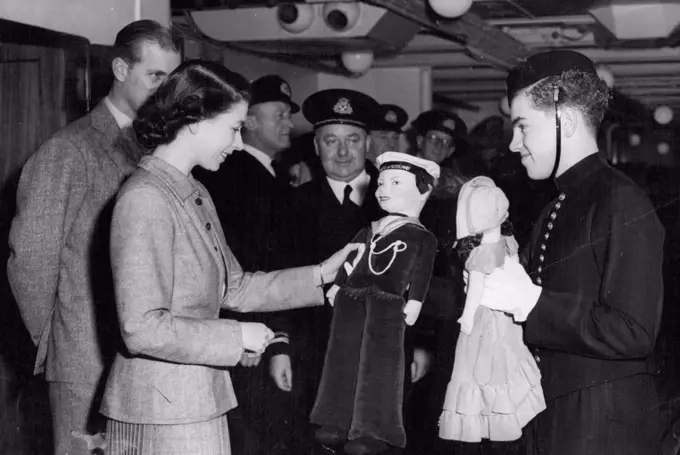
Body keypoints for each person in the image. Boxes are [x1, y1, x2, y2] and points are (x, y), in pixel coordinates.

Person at [98, 60, 359, 455]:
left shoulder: (193, 192)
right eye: (234, 128)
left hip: (196, 400)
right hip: (161, 410)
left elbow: (233, 286)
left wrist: (320, 274)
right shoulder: (145, 198)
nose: (238, 143)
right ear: (196, 120)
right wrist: (237, 336)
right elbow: (140, 327)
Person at [6, 20, 182, 455]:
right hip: (84, 361)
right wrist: (55, 342)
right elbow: (30, 259)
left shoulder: (151, 147)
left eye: (171, 80)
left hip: (137, 360)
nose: (166, 93)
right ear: (120, 69)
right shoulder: (69, 149)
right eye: (156, 77)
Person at [477, 50, 664, 455]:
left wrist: (531, 301)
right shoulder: (556, 206)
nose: (514, 144)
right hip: (558, 414)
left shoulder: (621, 201)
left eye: (522, 126)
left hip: (602, 423)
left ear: (567, 119)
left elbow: (634, 331)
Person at [267, 89, 436, 453]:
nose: (343, 153)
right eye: (331, 141)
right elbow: (279, 276)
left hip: (388, 347)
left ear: (369, 143)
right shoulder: (292, 204)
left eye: (353, 140)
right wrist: (280, 344)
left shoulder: (402, 198)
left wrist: (423, 343)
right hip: (315, 348)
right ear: (316, 146)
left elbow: (424, 274)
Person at [194, 73, 302, 454]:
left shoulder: (267, 173)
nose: (288, 123)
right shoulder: (236, 176)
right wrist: (268, 337)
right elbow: (248, 265)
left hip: (261, 329)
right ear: (249, 121)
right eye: (279, 115)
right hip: (248, 334)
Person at [312, 152, 439, 455]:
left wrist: (416, 303)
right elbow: (353, 257)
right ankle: (336, 419)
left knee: (380, 367)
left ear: (423, 190)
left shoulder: (422, 237)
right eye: (381, 183)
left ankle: (373, 429)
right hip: (350, 301)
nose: (384, 190)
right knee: (341, 359)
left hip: (388, 305)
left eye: (396, 183)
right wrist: (337, 286)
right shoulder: (371, 228)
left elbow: (422, 274)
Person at [410, 110, 468, 199]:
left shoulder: (456, 184)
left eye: (446, 142)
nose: (439, 145)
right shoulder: (399, 173)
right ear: (420, 141)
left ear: (450, 151)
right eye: (433, 138)